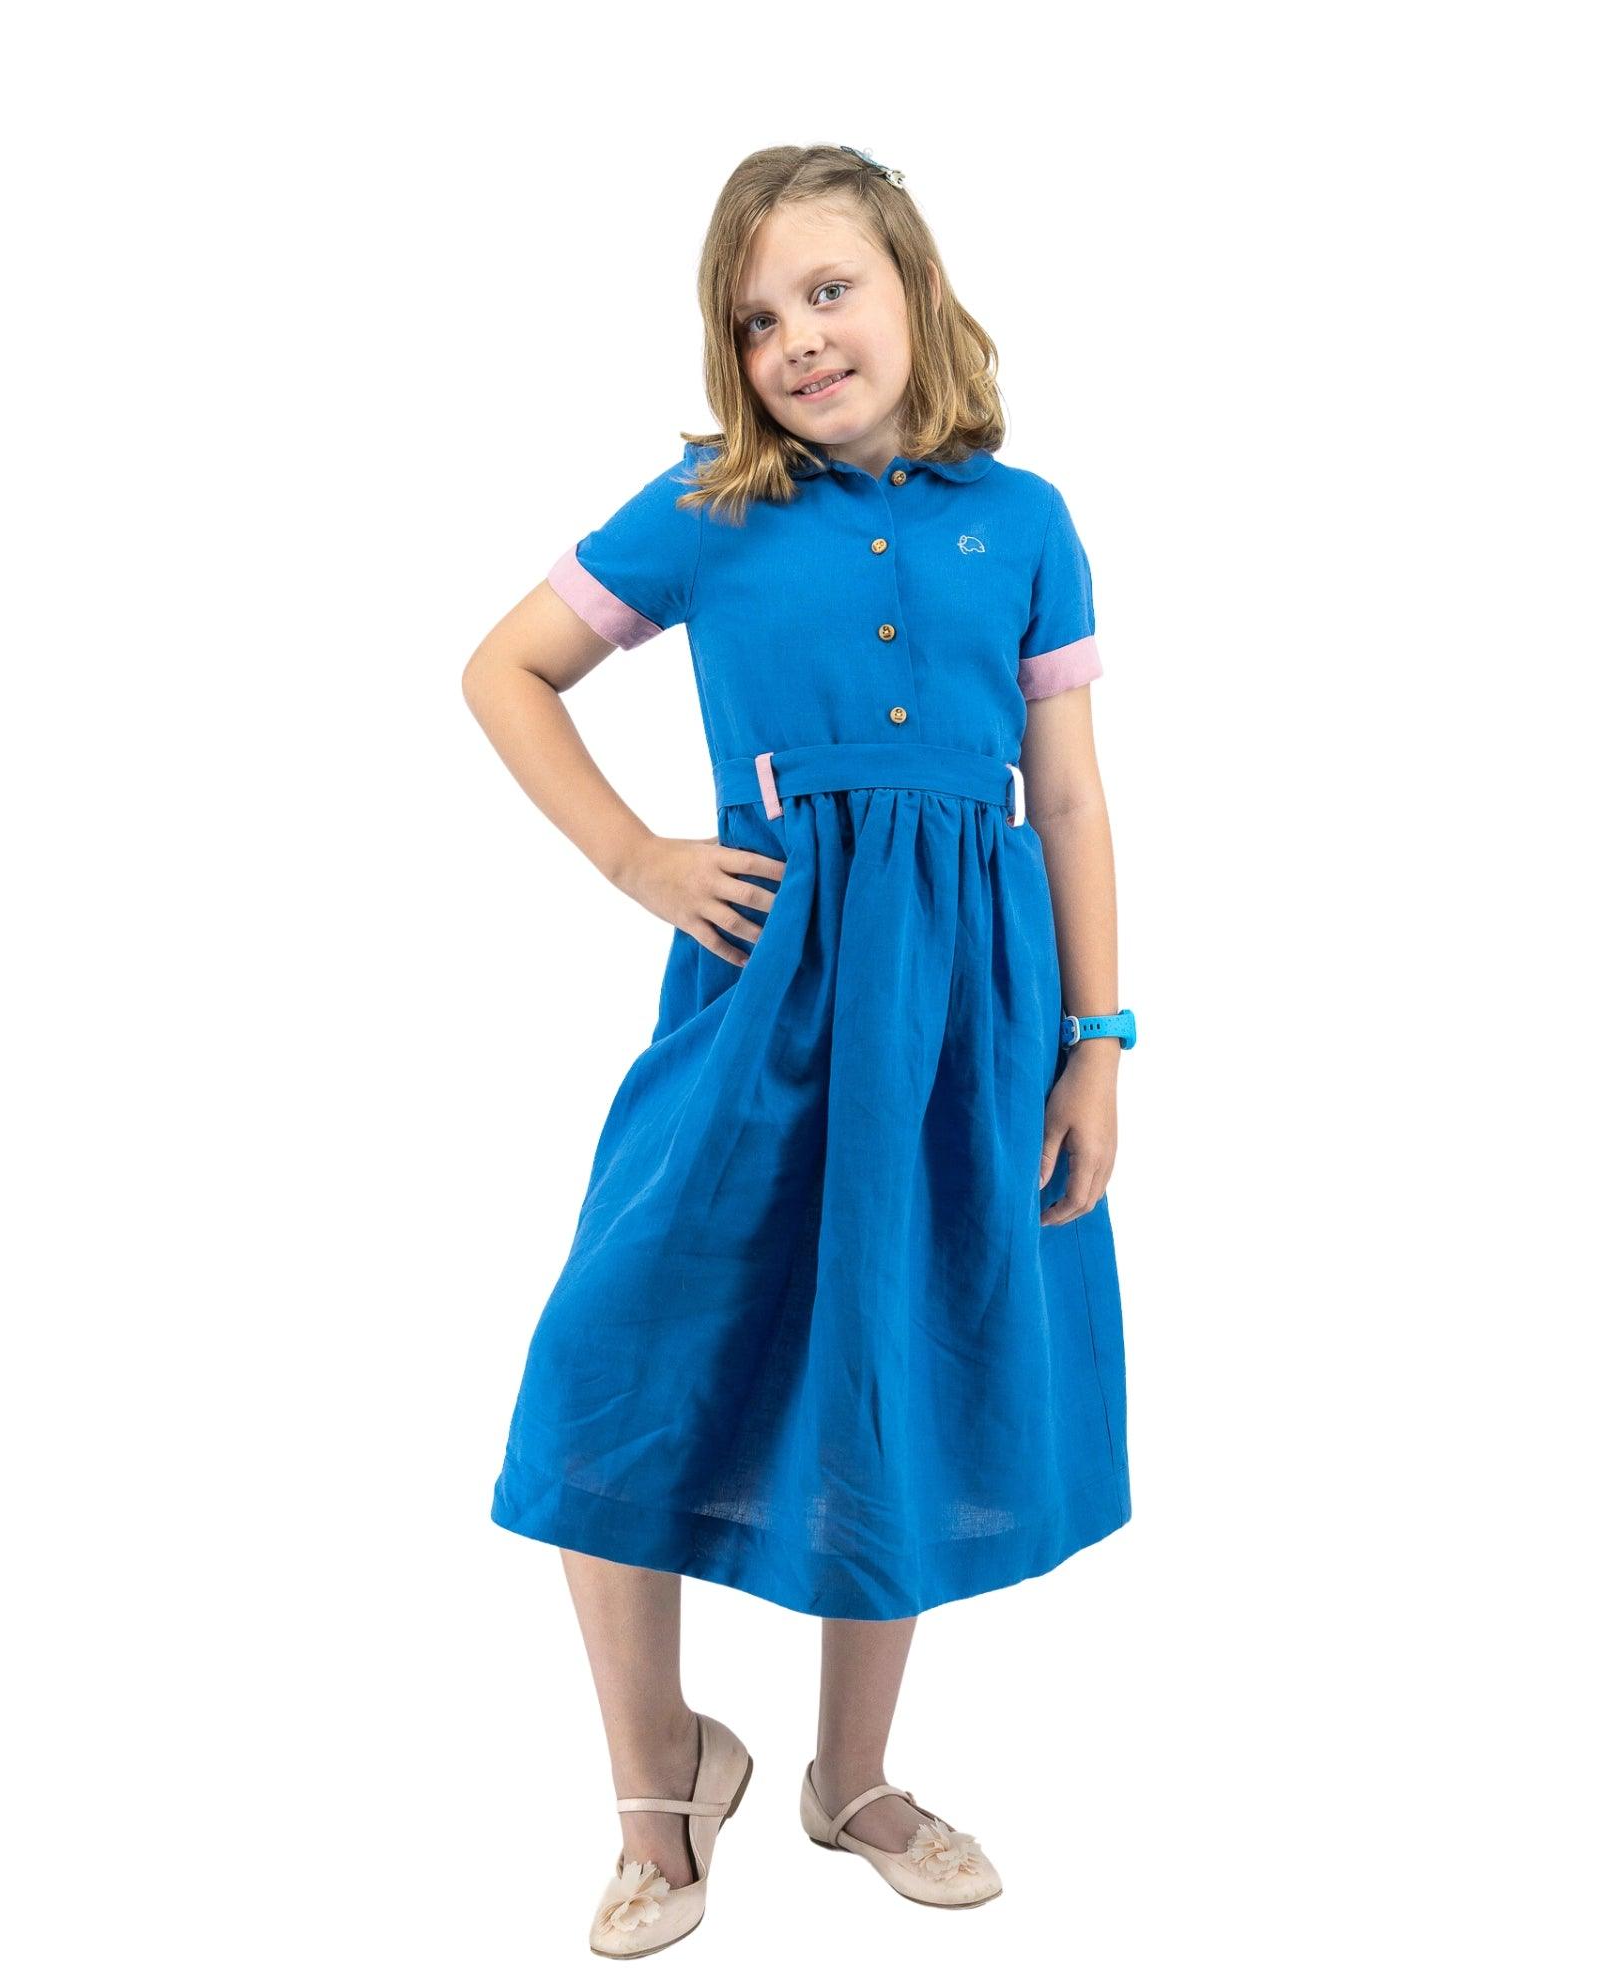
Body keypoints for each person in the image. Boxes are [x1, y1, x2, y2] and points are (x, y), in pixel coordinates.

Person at [461, 142, 1137, 1957]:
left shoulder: (1030, 520)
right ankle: (659, 1781)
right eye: (756, 318)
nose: (797, 340)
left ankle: (851, 1776)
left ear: (911, 282)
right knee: (619, 1346)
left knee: (892, 1356)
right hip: (770, 977)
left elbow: (1064, 794)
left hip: (967, 1007)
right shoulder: (711, 507)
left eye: (828, 291)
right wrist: (637, 858)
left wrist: (1098, 1040)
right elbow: (503, 669)